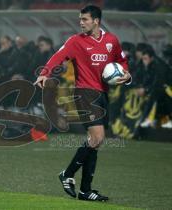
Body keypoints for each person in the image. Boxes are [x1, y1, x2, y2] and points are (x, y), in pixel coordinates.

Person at [34, 5, 131, 201]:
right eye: (80, 19)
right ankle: (67, 174)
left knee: (94, 144)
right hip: (85, 93)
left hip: (103, 94)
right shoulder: (75, 41)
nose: (81, 22)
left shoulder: (112, 40)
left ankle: (86, 190)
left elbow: (122, 61)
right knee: (97, 138)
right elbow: (57, 57)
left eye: (85, 19)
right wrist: (45, 73)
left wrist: (127, 75)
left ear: (96, 21)